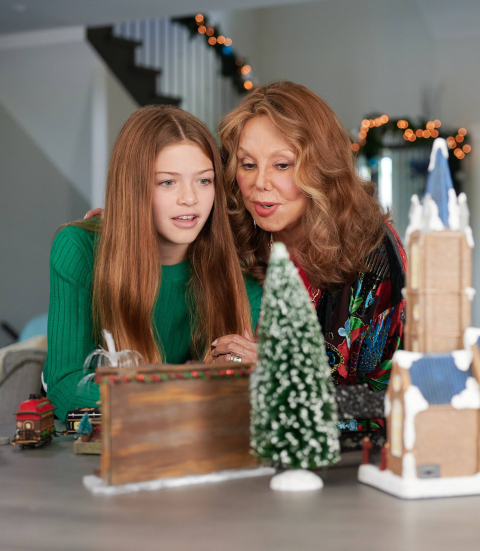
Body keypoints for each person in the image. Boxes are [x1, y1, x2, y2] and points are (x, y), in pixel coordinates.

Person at [46, 106, 262, 421]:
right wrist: (191, 390)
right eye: (167, 182)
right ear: (133, 189)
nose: (190, 198)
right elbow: (65, 387)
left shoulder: (237, 269)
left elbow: (242, 391)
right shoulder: (78, 248)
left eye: (204, 180)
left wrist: (252, 371)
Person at [213, 81, 406, 390]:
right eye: (248, 164)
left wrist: (279, 374)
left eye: (282, 165)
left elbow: (387, 396)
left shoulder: (374, 250)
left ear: (321, 167)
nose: (259, 182)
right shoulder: (234, 235)